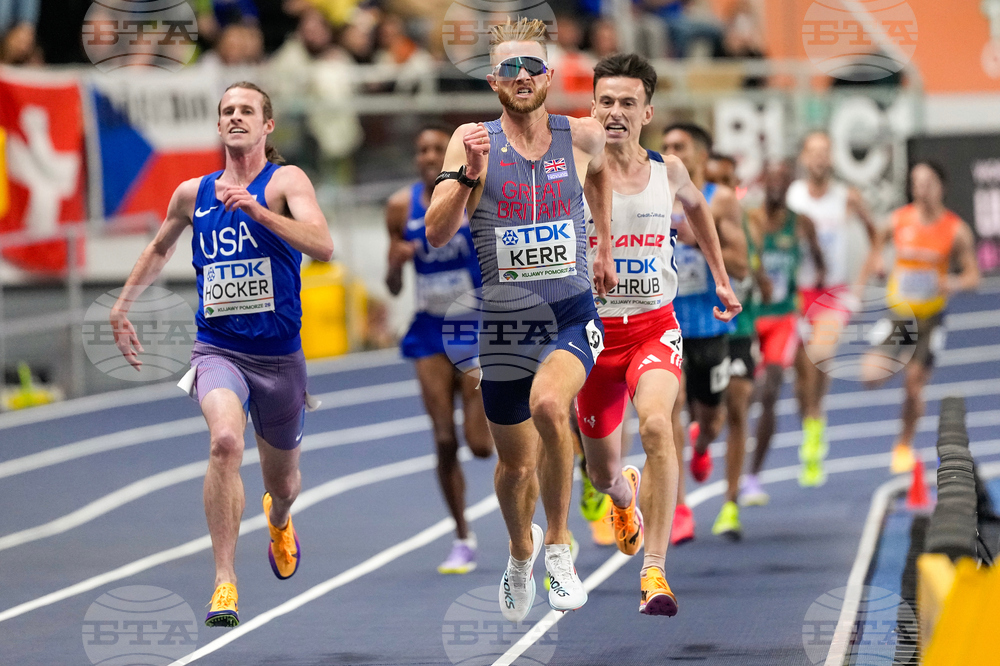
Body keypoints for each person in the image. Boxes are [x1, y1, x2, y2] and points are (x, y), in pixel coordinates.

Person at [110, 82, 334, 628]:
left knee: (282, 485)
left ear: (267, 126)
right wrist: (121, 306)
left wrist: (258, 212)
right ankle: (225, 583)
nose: (236, 117)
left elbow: (323, 245)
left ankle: (279, 520)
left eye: (247, 111)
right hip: (219, 349)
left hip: (280, 359)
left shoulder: (285, 182)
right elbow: (161, 246)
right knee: (226, 442)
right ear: (218, 126)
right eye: (228, 111)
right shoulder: (193, 193)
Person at [425, 16, 617, 621]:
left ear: (550, 76)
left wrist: (605, 242)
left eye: (533, 66)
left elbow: (603, 177)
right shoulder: (470, 139)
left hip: (570, 309)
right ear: (493, 81)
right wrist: (466, 179)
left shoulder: (582, 135)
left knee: (551, 408)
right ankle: (520, 550)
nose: (523, 76)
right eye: (510, 68)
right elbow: (435, 233)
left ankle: (560, 545)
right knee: (515, 467)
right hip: (505, 323)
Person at [577, 54, 740, 614]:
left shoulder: (669, 171)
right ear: (592, 108)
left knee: (656, 424)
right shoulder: (574, 171)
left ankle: (655, 571)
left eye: (627, 103)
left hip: (654, 328)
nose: (615, 112)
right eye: (606, 102)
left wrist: (720, 279)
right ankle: (624, 496)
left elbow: (701, 211)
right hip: (592, 337)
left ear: (646, 111)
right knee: (600, 473)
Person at [384, 123, 494, 574]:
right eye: (421, 149)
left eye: (436, 148)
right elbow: (392, 287)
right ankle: (463, 536)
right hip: (429, 331)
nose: (428, 155)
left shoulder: (477, 192)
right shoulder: (398, 207)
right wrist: (394, 264)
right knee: (445, 440)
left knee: (480, 445)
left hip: (475, 326)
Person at [859, 162, 980, 472]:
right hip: (900, 315)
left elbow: (973, 277)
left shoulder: (956, 230)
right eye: (915, 182)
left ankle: (903, 445)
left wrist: (951, 282)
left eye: (926, 182)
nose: (920, 188)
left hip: (930, 318)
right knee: (869, 376)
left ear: (940, 186)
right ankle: (905, 361)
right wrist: (876, 264)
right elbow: (876, 244)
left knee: (913, 386)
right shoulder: (898, 220)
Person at [660, 123, 748, 544]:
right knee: (671, 407)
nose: (670, 152)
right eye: (665, 146)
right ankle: (680, 507)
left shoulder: (722, 199)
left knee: (711, 418)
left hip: (710, 324)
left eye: (679, 146)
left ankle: (702, 444)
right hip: (666, 323)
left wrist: (696, 241)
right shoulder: (651, 192)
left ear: (700, 156)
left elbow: (743, 264)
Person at [786, 131, 878, 484]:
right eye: (814, 152)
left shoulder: (846, 197)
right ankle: (812, 420)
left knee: (820, 355)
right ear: (804, 158)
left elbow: (877, 235)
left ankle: (815, 427)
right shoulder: (793, 196)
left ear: (832, 158)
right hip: (797, 293)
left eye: (826, 152)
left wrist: (861, 284)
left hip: (833, 293)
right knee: (800, 378)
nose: (820, 159)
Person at [742, 160, 825, 502]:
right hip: (750, 317)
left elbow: (820, 262)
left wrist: (815, 289)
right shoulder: (752, 220)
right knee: (744, 393)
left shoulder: (802, 223)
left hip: (783, 317)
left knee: (772, 388)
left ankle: (753, 477)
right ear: (763, 184)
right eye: (771, 182)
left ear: (790, 186)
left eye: (783, 183)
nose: (776, 188)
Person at [703, 151, 761, 537]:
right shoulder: (686, 212)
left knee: (738, 404)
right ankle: (703, 439)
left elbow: (750, 267)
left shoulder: (747, 220)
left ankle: (730, 502)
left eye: (729, 181)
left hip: (738, 327)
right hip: (699, 328)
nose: (722, 189)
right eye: (715, 182)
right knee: (707, 419)